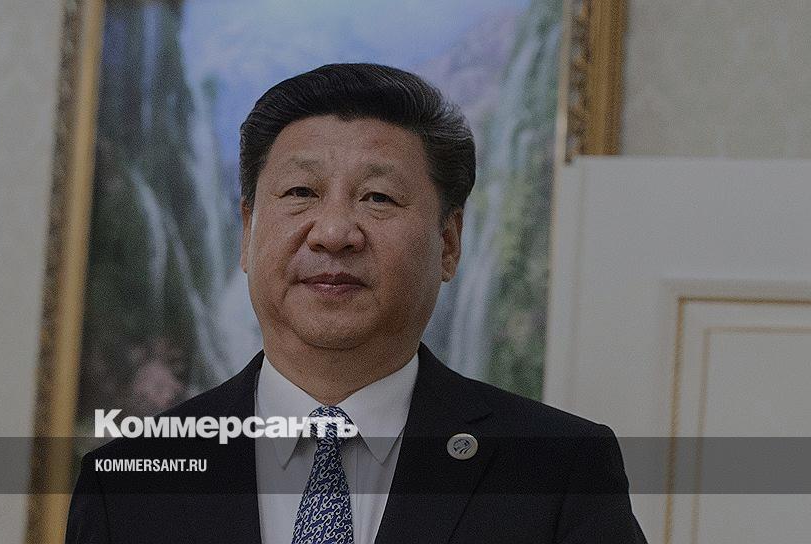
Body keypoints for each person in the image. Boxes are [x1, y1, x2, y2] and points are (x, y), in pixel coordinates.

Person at [65, 63, 647, 543]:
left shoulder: (559, 470)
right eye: (301, 192)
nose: (334, 233)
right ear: (247, 232)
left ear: (448, 243)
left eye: (378, 197)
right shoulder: (125, 484)